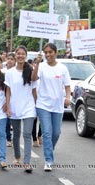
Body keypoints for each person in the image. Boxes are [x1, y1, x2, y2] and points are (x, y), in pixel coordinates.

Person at [31, 43, 71, 171]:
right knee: (47, 132)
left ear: (56, 52)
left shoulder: (62, 68)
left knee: (56, 133)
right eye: (46, 52)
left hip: (57, 105)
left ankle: (49, 150)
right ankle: (49, 160)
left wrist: (68, 97)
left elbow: (67, 86)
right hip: (43, 104)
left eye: (50, 52)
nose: (48, 55)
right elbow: (33, 78)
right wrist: (37, 64)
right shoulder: (41, 66)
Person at [5, 46, 36, 173]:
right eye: (18, 54)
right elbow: (8, 91)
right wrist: (7, 106)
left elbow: (34, 89)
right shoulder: (10, 72)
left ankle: (27, 162)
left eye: (23, 54)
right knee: (16, 134)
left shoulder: (30, 71)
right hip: (15, 106)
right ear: (15, 55)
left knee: (27, 134)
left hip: (29, 107)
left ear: (26, 56)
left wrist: (37, 104)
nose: (20, 56)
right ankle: (17, 157)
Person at [3, 52, 16, 147]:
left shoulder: (17, 72)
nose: (10, 61)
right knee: (7, 121)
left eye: (12, 59)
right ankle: (8, 138)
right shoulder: (3, 72)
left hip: (15, 99)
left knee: (15, 122)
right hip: (4, 98)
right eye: (9, 58)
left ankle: (15, 138)